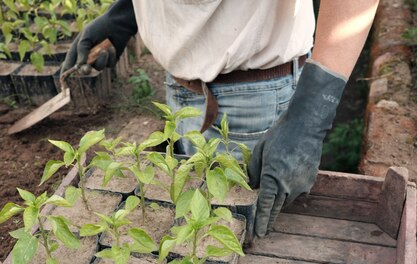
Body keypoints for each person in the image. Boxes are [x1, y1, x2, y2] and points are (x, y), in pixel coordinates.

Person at [62, 0, 379, 237]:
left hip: (253, 97)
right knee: (199, 230)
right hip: (182, 86)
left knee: (242, 246)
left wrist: (310, 117)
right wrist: (128, 14)